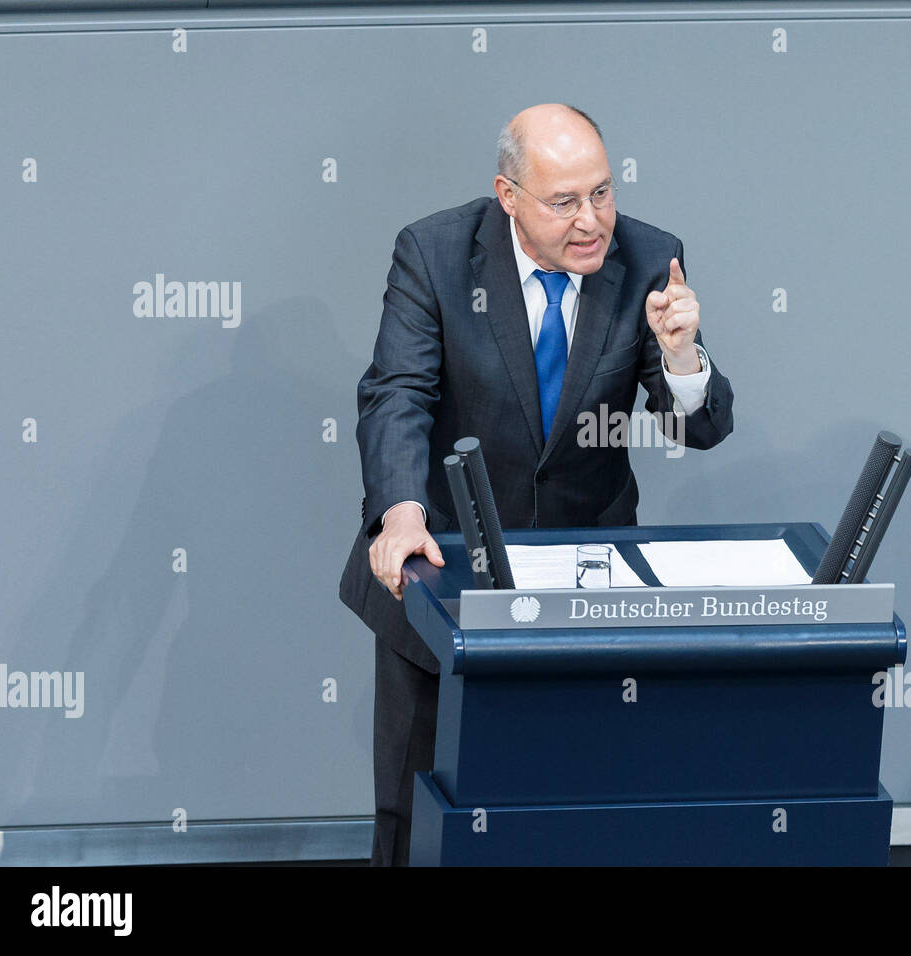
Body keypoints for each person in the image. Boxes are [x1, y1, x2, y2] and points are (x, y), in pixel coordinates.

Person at [338, 103, 735, 865]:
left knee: (573, 819)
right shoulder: (434, 253)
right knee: (418, 820)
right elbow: (397, 394)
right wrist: (399, 513)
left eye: (602, 193)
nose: (592, 222)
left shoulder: (651, 259)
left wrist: (682, 360)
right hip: (444, 580)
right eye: (565, 202)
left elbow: (696, 429)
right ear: (508, 195)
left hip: (583, 598)